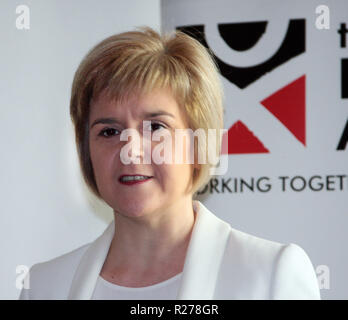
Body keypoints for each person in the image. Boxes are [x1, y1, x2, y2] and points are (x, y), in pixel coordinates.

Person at [18, 26, 320, 300]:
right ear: (86, 151)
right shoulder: (44, 287)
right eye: (109, 131)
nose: (131, 151)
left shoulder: (270, 274)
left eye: (155, 127)